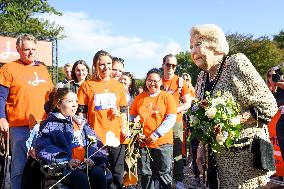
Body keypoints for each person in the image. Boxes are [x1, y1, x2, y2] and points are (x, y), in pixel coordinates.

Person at [189, 24, 278, 188]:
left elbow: (268, 105)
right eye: (191, 46)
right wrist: (201, 147)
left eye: (198, 44)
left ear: (215, 45)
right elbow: (205, 119)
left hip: (244, 162)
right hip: (215, 162)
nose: (193, 51)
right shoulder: (202, 77)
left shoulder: (236, 63)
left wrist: (234, 121)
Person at [0, 33, 53, 189]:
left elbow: (51, 99)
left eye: (34, 49)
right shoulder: (8, 68)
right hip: (19, 126)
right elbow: (1, 96)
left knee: (41, 167)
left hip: (42, 126)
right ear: (18, 49)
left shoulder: (43, 69)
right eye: (26, 49)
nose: (31, 52)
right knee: (19, 168)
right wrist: (1, 118)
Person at [34, 88, 109, 189]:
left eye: (76, 101)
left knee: (98, 173)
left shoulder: (81, 123)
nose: (75, 104)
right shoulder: (50, 124)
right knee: (81, 179)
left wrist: (92, 159)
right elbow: (43, 147)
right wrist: (66, 160)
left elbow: (96, 143)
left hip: (85, 164)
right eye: (70, 101)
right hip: (63, 167)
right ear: (59, 105)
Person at [77, 50, 128, 189]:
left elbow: (123, 110)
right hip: (96, 137)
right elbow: (81, 112)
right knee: (98, 173)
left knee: (117, 173)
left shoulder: (118, 86)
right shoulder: (87, 85)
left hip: (116, 136)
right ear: (95, 66)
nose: (106, 67)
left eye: (109, 63)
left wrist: (124, 127)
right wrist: (82, 133)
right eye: (102, 64)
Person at [130, 68, 177, 189]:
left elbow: (171, 118)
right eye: (149, 80)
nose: (152, 83)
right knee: (146, 175)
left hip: (163, 143)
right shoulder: (139, 98)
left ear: (161, 82)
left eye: (155, 81)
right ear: (146, 82)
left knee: (164, 173)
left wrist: (156, 134)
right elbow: (132, 117)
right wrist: (136, 133)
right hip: (144, 143)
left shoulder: (167, 97)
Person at [161, 54, 191, 189]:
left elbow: (187, 103)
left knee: (177, 152)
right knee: (160, 151)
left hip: (176, 122)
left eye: (173, 65)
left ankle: (179, 180)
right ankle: (161, 179)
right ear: (163, 65)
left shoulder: (180, 82)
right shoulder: (156, 80)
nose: (171, 68)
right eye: (168, 64)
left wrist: (173, 110)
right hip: (158, 123)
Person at [267, 66, 284, 162]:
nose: (271, 77)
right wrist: (272, 87)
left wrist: (278, 83)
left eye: (274, 75)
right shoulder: (268, 91)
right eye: (269, 76)